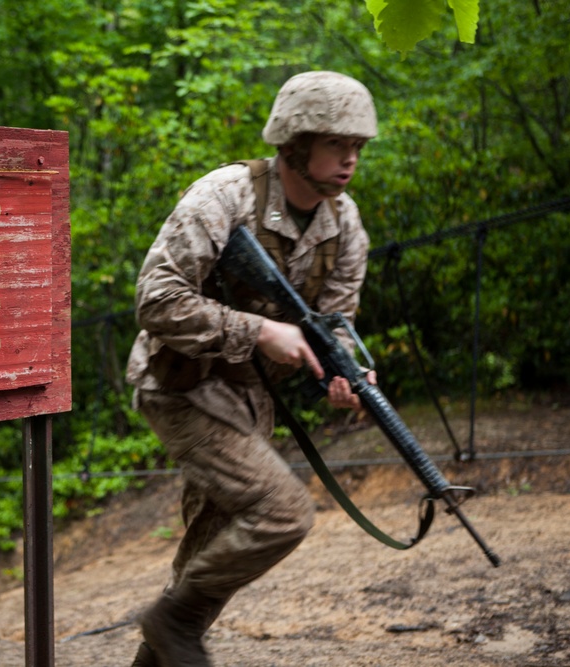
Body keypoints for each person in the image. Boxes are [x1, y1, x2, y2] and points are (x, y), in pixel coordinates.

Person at [125, 71, 379, 667]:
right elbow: (155, 297)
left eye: (358, 148)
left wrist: (344, 376)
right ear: (296, 143)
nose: (350, 160)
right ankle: (171, 620)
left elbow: (333, 325)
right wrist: (257, 331)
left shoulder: (344, 226)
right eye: (337, 144)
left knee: (208, 555)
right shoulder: (226, 195)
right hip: (180, 386)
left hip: (249, 401)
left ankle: (167, 635)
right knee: (281, 513)